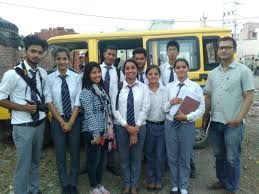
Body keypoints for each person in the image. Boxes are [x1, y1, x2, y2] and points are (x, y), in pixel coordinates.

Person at [204, 36, 255, 194]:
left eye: (228, 47)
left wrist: (239, 118)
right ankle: (222, 180)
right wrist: (206, 115)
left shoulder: (243, 71)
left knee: (232, 158)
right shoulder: (212, 73)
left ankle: (232, 187)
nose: (224, 50)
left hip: (233, 123)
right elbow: (208, 95)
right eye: (221, 48)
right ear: (217, 51)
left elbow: (249, 96)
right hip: (216, 122)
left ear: (234, 50)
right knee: (219, 155)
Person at [0, 35, 48, 194]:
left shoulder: (42, 73)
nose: (36, 55)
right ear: (25, 51)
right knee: (23, 164)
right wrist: (23, 107)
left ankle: (34, 189)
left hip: (39, 124)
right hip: (22, 126)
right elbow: (0, 98)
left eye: (40, 52)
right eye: (33, 51)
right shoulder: (12, 74)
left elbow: (45, 95)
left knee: (35, 161)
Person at [163, 58, 205, 194]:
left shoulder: (195, 87)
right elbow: (163, 108)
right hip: (170, 125)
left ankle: (183, 185)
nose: (181, 69)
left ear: (188, 69)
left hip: (187, 125)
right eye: (178, 67)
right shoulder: (169, 87)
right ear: (174, 70)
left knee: (185, 157)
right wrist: (170, 102)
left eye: (183, 67)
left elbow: (201, 109)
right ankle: (175, 184)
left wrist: (186, 117)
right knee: (172, 156)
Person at [45, 46, 82, 194]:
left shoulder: (77, 77)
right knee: (60, 153)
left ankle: (73, 183)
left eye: (64, 58)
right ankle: (64, 184)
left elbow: (78, 101)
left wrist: (71, 122)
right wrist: (61, 122)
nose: (62, 62)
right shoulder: (49, 78)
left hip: (74, 119)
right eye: (59, 59)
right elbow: (49, 101)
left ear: (68, 60)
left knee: (74, 152)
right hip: (57, 120)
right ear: (55, 60)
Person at [111, 59, 150, 194]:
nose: (130, 71)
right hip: (122, 127)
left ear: (137, 70)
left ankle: (134, 184)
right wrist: (127, 127)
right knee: (124, 157)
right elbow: (114, 109)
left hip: (139, 127)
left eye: (133, 68)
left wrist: (136, 128)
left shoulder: (144, 87)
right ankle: (126, 183)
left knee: (136, 157)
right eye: (127, 68)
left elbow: (145, 108)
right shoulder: (117, 86)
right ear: (124, 71)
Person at [80, 62, 112, 194]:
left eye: (98, 72)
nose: (97, 74)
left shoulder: (100, 89)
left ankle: (99, 184)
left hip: (104, 130)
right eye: (93, 72)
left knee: (102, 161)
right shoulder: (86, 92)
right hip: (93, 131)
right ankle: (93, 187)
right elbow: (89, 114)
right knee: (94, 160)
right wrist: (95, 134)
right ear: (88, 75)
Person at [100, 45, 124, 176]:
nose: (111, 57)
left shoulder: (119, 72)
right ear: (104, 54)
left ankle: (111, 164)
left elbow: (122, 91)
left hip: (113, 109)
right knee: (98, 135)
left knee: (111, 136)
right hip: (99, 109)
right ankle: (97, 163)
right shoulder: (97, 69)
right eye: (109, 54)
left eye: (113, 55)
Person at [144, 65, 166, 192]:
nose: (153, 76)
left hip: (162, 126)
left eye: (155, 74)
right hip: (148, 126)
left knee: (160, 155)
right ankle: (151, 179)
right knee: (149, 154)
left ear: (159, 75)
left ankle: (159, 179)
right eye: (150, 74)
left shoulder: (165, 90)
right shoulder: (143, 90)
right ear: (146, 76)